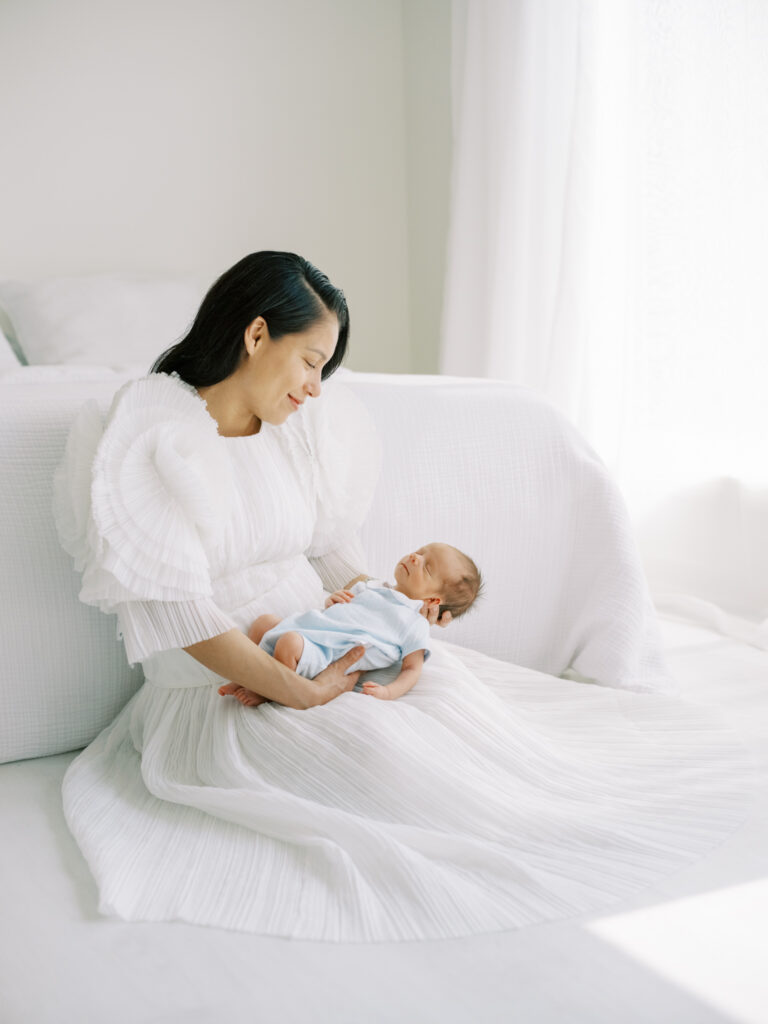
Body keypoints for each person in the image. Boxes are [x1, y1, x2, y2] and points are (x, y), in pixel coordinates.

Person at [53, 250, 748, 943]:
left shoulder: (292, 433)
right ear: (257, 335)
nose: (316, 388)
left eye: (325, 369)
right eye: (309, 361)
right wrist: (298, 689)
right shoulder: (153, 438)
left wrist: (388, 609)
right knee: (384, 761)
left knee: (455, 701)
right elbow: (175, 614)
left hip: (326, 642)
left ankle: (570, 815)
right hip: (229, 683)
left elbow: (326, 553)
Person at [219, 542, 482, 705]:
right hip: (313, 627)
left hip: (328, 653)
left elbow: (412, 669)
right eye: (420, 551)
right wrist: (333, 601)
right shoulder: (371, 587)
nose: (415, 557)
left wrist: (389, 692)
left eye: (427, 568)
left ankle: (269, 691)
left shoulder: (415, 623)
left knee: (288, 644)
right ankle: (247, 676)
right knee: (262, 623)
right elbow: (341, 613)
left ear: (434, 599)